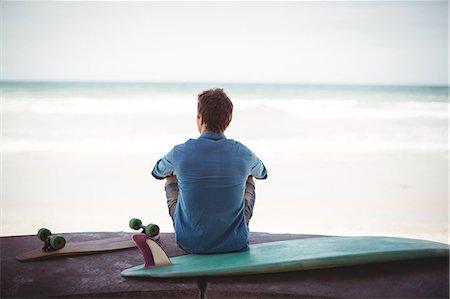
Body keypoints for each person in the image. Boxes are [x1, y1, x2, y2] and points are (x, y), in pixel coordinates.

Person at [152, 88, 267, 254]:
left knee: (171, 175)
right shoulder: (244, 153)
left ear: (200, 119)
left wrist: (183, 168)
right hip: (234, 243)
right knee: (249, 175)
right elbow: (262, 173)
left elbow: (157, 172)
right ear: (229, 120)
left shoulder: (180, 152)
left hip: (190, 244)